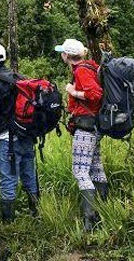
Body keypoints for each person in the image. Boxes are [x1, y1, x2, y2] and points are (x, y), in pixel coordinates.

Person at [0, 42, 39, 222]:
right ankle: (36, 215)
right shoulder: (19, 78)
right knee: (29, 176)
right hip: (27, 136)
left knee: (8, 179)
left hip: (7, 140)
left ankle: (8, 224)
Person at [55, 38, 106, 232]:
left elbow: (95, 95)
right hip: (94, 127)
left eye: (63, 52)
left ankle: (89, 221)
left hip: (85, 127)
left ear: (67, 56)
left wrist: (73, 92)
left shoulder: (82, 71)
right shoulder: (90, 66)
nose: (62, 55)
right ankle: (103, 213)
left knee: (80, 171)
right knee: (96, 168)